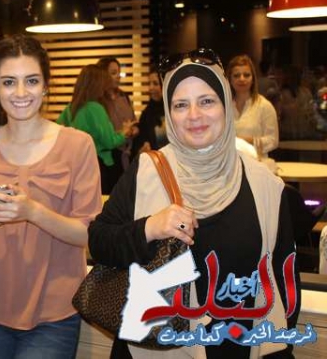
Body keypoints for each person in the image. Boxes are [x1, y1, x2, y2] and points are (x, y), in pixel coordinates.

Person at [88, 50, 299, 358]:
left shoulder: (265, 186)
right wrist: (149, 228)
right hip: (155, 349)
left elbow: (284, 284)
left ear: (225, 105)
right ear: (169, 112)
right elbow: (99, 241)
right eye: (181, 105)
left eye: (207, 101)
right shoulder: (146, 172)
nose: (194, 115)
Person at [0, 34, 102, 359]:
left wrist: (32, 211)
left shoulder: (77, 145)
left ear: (46, 85)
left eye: (32, 81)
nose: (21, 93)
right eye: (9, 82)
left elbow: (88, 234)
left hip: (54, 313)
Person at [57, 64, 131, 194]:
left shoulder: (70, 108)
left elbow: (59, 131)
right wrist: (125, 133)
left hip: (77, 165)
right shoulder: (95, 108)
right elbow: (110, 142)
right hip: (99, 165)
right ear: (97, 84)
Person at [227, 54, 279, 159]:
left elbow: (273, 140)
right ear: (230, 79)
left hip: (257, 163)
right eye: (236, 75)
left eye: (246, 75)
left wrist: (247, 141)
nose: (242, 79)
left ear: (253, 79)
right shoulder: (223, 107)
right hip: (229, 164)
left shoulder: (264, 106)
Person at [97, 57, 139, 169]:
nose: (118, 76)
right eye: (113, 73)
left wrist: (133, 130)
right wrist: (122, 133)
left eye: (119, 72)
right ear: (103, 75)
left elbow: (134, 122)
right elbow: (101, 134)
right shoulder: (98, 102)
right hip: (108, 158)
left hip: (129, 154)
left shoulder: (124, 96)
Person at [131, 65, 168, 158]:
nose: (150, 88)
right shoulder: (147, 113)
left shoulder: (174, 109)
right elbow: (140, 141)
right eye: (149, 83)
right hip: (156, 162)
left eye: (155, 83)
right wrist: (142, 148)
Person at [278, 64, 320, 141]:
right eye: (292, 77)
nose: (294, 79)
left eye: (296, 76)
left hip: (303, 131)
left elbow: (311, 111)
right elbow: (279, 113)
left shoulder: (305, 92)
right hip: (288, 132)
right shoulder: (282, 94)